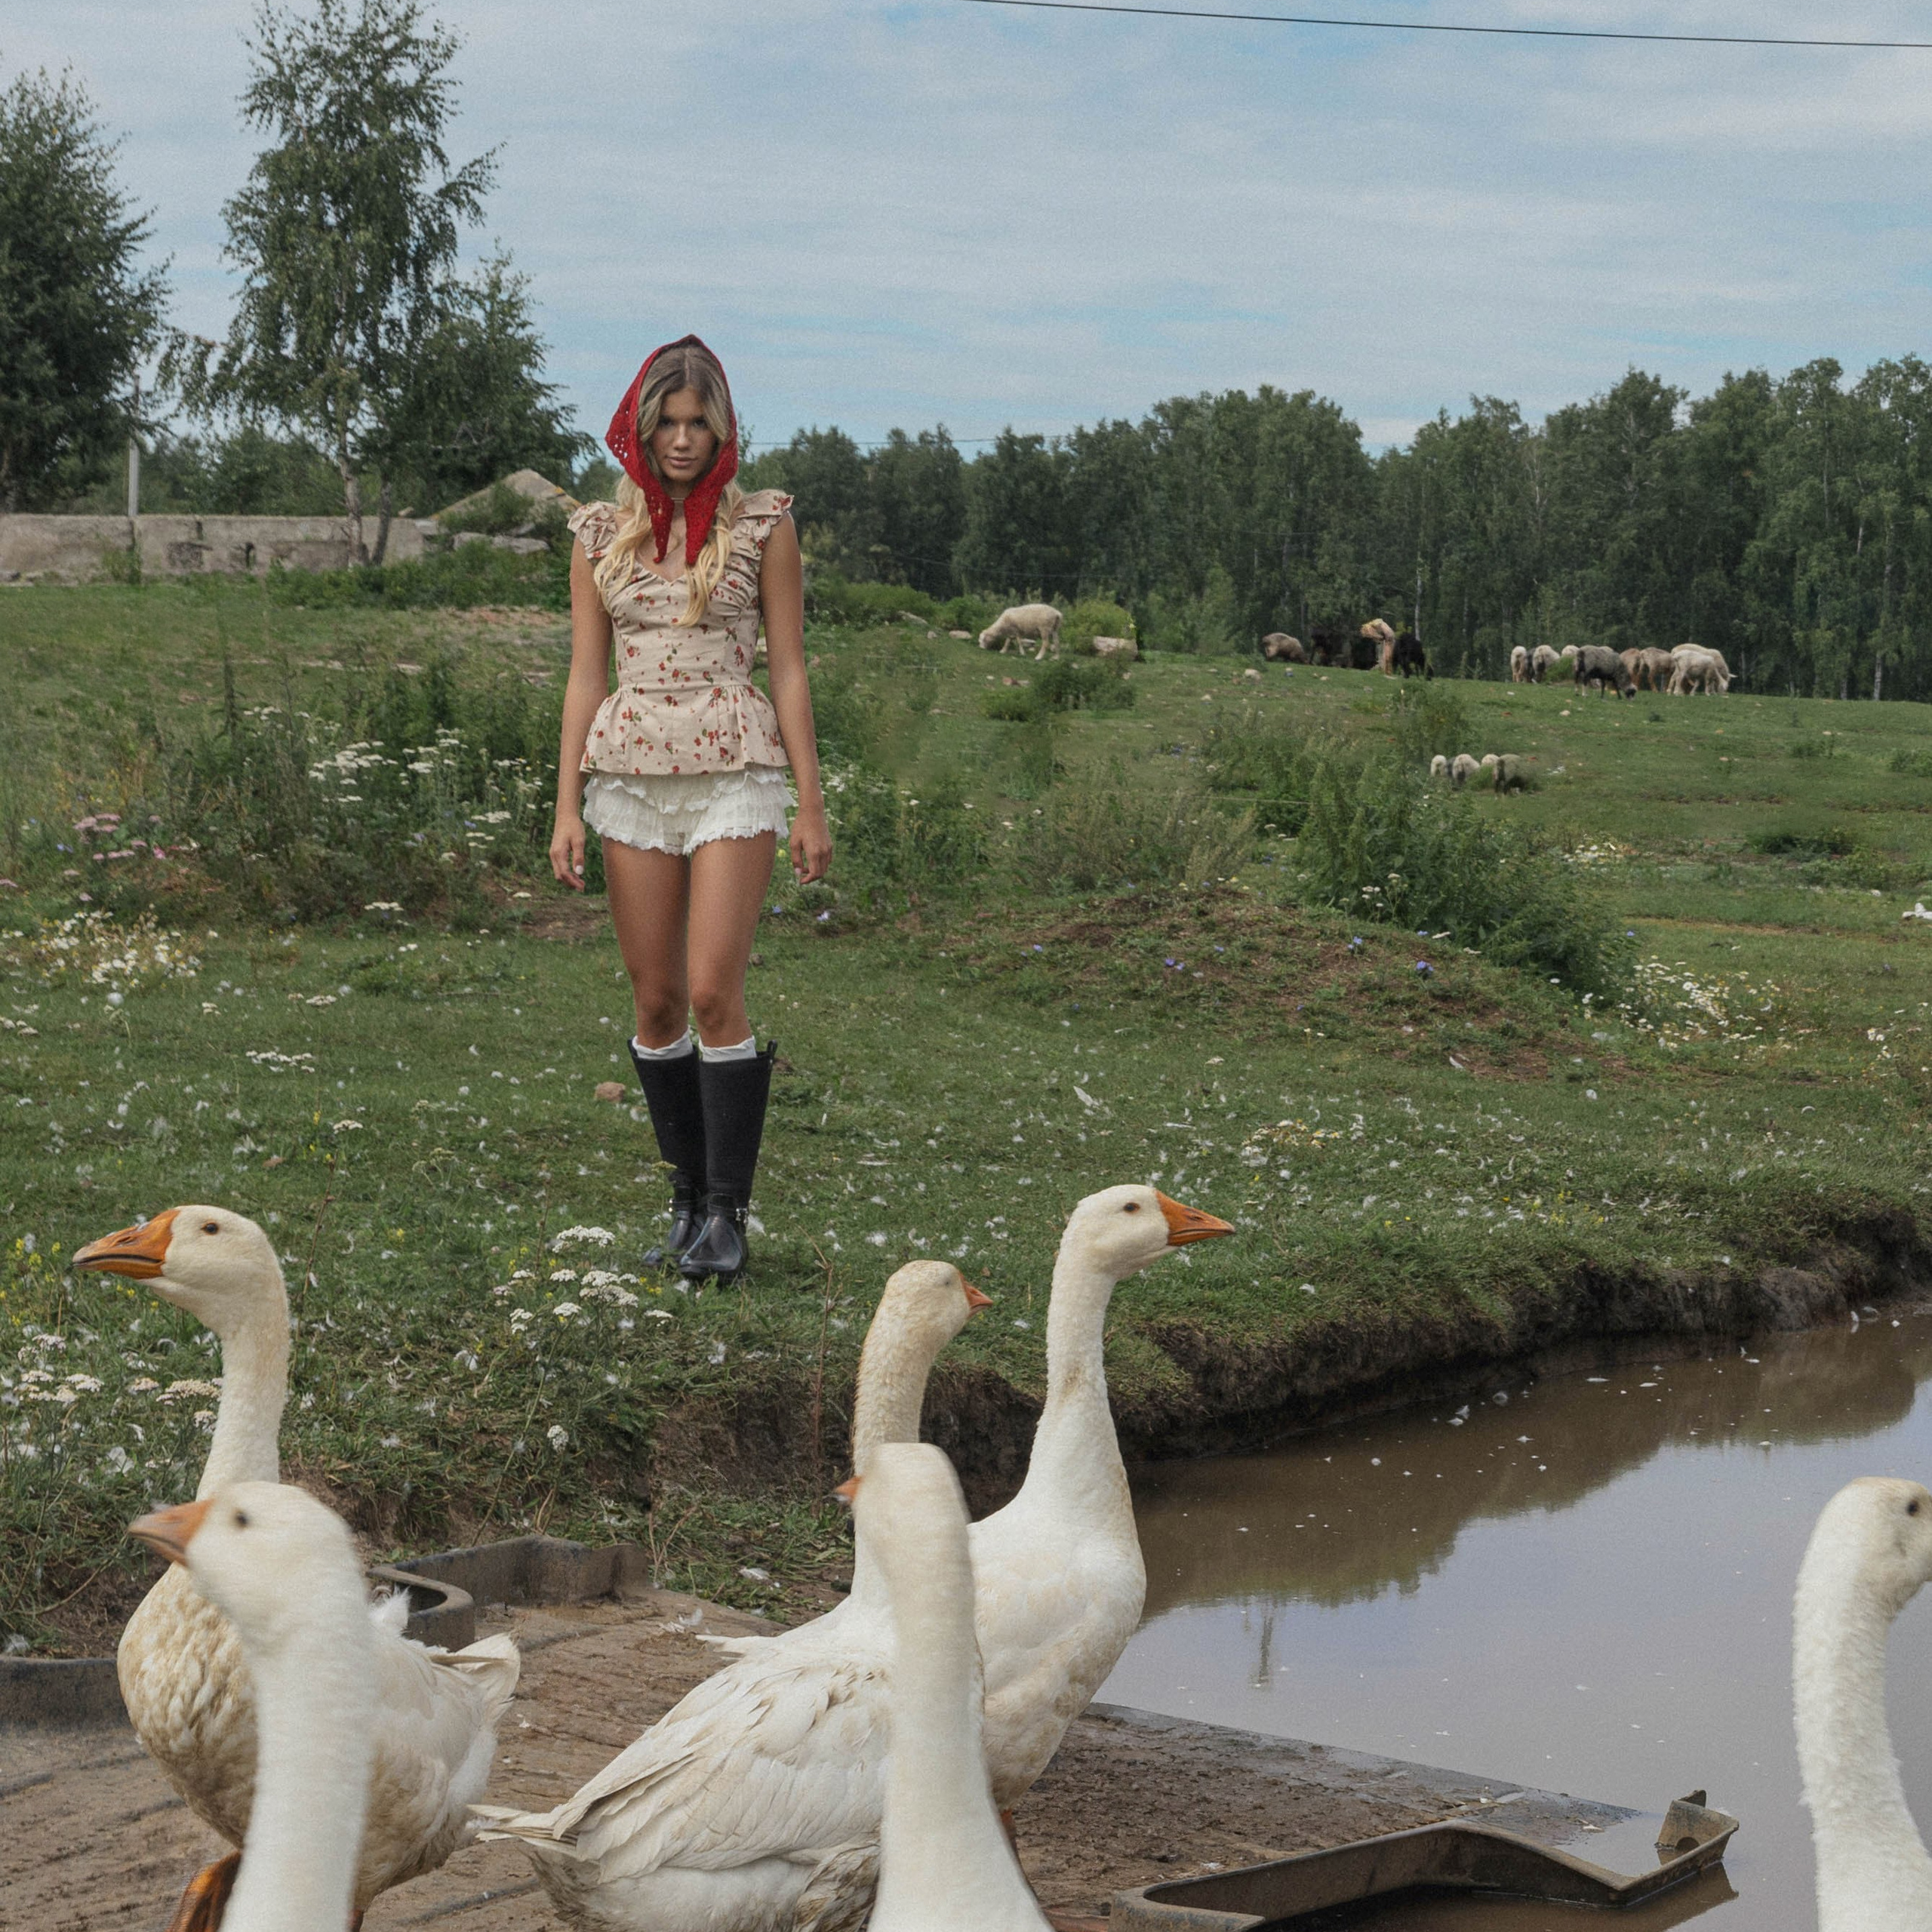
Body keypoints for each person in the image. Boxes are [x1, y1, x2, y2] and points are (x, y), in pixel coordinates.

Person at [550, 335, 830, 1282]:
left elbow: (788, 667)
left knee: (713, 989)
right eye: (666, 422)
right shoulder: (597, 534)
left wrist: (809, 803)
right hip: (628, 772)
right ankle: (682, 1205)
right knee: (656, 999)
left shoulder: (763, 525)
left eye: (696, 421)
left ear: (722, 426)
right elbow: (585, 674)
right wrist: (564, 810)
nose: (681, 439)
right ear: (642, 427)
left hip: (734, 768)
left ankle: (726, 1216)